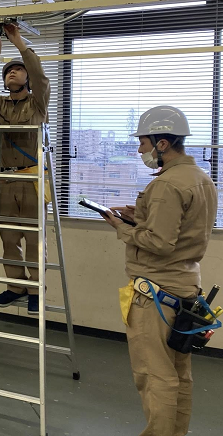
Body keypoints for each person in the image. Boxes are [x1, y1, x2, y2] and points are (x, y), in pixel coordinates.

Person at [100, 106, 217, 436]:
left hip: (155, 294)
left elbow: (161, 243)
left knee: (155, 376)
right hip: (185, 288)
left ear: (162, 143)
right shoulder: (200, 178)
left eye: (143, 143)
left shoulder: (167, 185)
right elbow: (180, 229)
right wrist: (139, 217)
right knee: (179, 374)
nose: (140, 150)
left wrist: (122, 228)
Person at [0, 23, 51, 315]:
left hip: (31, 180)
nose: (12, 73)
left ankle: (35, 290)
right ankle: (16, 287)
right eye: (8, 72)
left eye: (18, 70)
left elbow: (41, 78)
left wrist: (18, 42)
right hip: (5, 181)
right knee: (8, 238)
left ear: (27, 77)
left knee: (33, 239)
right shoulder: (1, 106)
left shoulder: (37, 104)